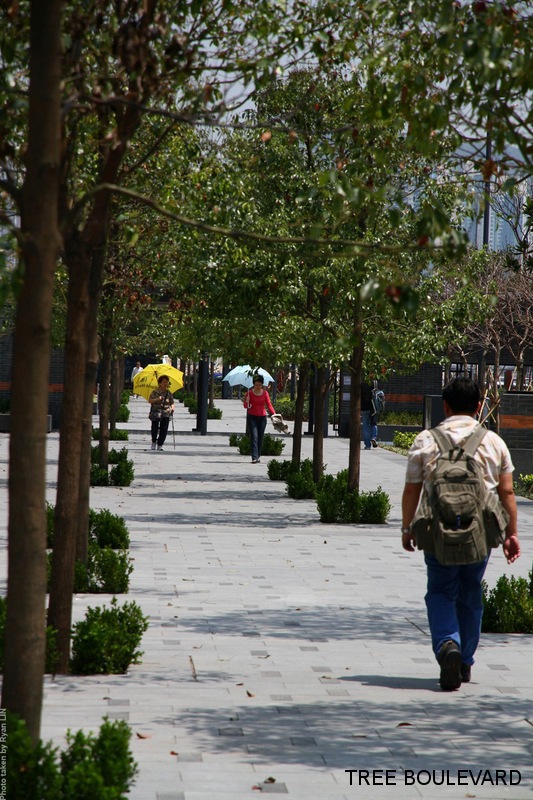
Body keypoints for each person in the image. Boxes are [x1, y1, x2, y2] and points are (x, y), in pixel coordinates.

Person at [401, 377, 520, 691]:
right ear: (479, 405)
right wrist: (512, 534)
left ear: (445, 405)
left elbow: (412, 488)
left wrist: (406, 527)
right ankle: (464, 659)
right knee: (469, 592)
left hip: (436, 531)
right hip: (479, 533)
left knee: (440, 591)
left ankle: (447, 645)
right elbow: (507, 493)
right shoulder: (493, 442)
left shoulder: (426, 440)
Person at [243, 374, 276, 463]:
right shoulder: (249, 393)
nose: (258, 387)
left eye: (260, 385)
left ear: (262, 385)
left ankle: (258, 455)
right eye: (256, 384)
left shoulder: (265, 393)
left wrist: (274, 414)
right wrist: (247, 401)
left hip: (262, 417)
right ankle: (254, 457)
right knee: (254, 436)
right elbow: (246, 407)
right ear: (253, 384)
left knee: (260, 437)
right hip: (252, 417)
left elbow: (269, 405)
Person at [148, 374, 175, 451]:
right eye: (164, 382)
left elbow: (172, 402)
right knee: (155, 428)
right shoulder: (155, 392)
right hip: (156, 412)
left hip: (165, 412)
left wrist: (172, 408)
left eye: (167, 382)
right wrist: (157, 399)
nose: (166, 384)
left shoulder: (168, 393)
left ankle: (160, 444)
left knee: (164, 429)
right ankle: (154, 442)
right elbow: (150, 401)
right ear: (160, 383)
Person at [360, 381, 378, 449]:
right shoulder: (375, 382)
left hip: (364, 407)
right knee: (374, 423)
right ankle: (374, 437)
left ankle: (367, 445)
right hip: (374, 407)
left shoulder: (362, 383)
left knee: (365, 425)